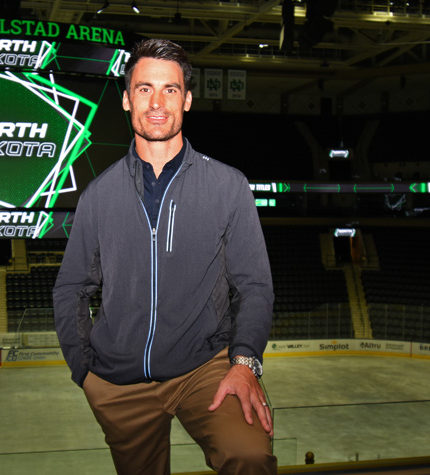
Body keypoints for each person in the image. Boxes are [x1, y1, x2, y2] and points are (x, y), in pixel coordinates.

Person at [52, 38, 276, 475]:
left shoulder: (228, 186)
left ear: (187, 99)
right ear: (126, 99)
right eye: (144, 89)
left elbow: (254, 286)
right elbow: (71, 287)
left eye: (170, 89)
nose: (157, 103)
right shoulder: (98, 194)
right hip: (118, 383)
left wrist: (245, 362)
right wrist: (86, 373)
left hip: (204, 368)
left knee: (248, 456)